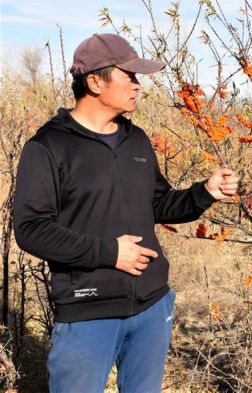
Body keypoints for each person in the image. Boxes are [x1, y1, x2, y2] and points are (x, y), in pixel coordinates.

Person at [13, 33, 239, 393]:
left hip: (151, 306)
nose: (137, 85)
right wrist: (110, 252)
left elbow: (158, 204)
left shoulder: (136, 140)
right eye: (129, 76)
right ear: (94, 82)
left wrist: (204, 193)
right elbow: (31, 229)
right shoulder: (48, 147)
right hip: (88, 312)